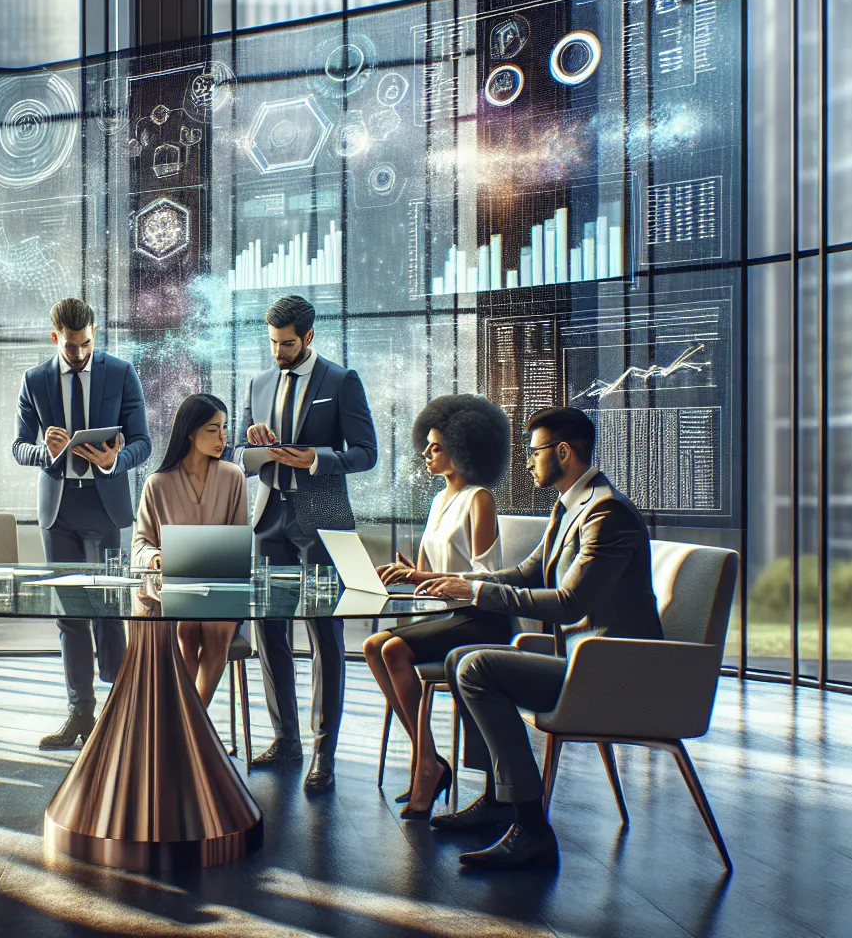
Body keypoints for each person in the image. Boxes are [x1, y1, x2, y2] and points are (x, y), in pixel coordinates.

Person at [414, 406, 661, 869]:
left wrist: (480, 592)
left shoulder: (606, 514)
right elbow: (528, 573)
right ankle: (499, 798)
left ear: (562, 452)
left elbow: (569, 602)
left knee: (477, 666)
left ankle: (530, 827)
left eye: (535, 452)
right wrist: (464, 584)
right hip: (584, 659)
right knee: (459, 659)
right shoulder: (572, 506)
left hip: (615, 671)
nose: (528, 462)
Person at [234, 294, 378, 792]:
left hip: (324, 519)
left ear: (309, 337)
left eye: (287, 343)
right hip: (270, 517)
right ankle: (286, 740)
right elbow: (237, 451)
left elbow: (365, 454)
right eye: (273, 343)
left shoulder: (341, 381)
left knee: (325, 636)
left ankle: (325, 752)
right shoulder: (257, 383)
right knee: (268, 632)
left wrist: (313, 459)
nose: (278, 352)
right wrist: (250, 444)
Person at [361, 394, 515, 818]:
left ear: (465, 448)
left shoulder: (479, 499)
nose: (426, 453)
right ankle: (427, 757)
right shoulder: (438, 500)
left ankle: (425, 766)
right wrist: (412, 572)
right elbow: (431, 573)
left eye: (436, 446)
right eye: (426, 445)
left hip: (481, 618)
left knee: (391, 648)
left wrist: (420, 579)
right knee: (373, 646)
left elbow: (485, 577)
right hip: (444, 614)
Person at [12, 298, 152, 749]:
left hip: (105, 503)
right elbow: (18, 446)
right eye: (72, 346)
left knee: (109, 609)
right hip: (58, 511)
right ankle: (80, 714)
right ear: (57, 338)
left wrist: (116, 460)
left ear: (95, 333)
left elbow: (144, 442)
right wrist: (45, 452)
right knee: (69, 615)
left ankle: (118, 709)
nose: (80, 353)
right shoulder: (34, 380)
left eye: (87, 343)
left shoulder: (121, 372)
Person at [131, 394, 249, 705]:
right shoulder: (157, 484)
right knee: (185, 629)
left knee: (214, 628)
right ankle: (195, 726)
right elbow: (140, 544)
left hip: (221, 590)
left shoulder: (233, 477)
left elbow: (238, 539)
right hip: (175, 591)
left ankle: (190, 722)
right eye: (213, 429)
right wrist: (156, 557)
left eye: (224, 428)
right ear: (190, 432)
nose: (222, 437)